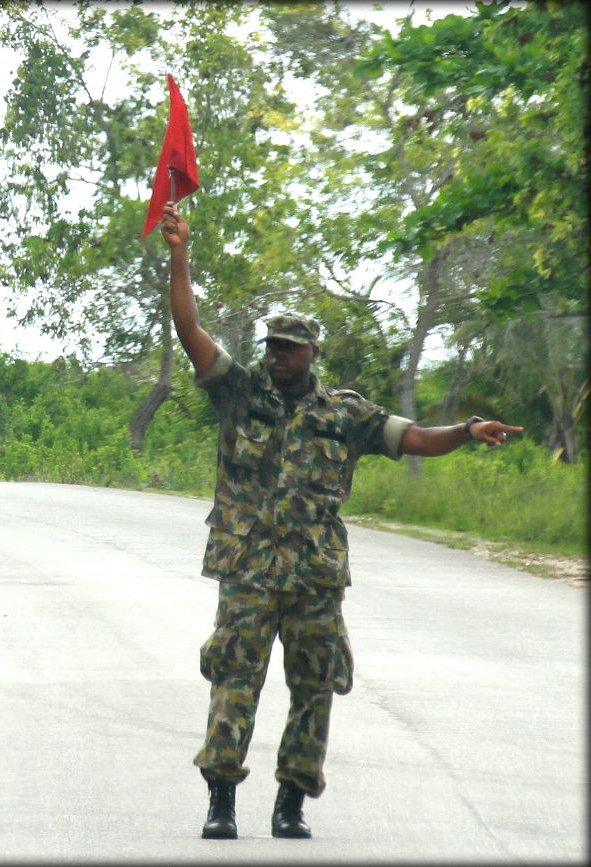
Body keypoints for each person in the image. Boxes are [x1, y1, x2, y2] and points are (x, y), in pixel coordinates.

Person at [156, 201, 523, 841]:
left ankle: (291, 802)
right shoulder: (239, 392)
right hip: (246, 570)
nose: (278, 357)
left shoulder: (344, 413)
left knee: (315, 688)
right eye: (272, 346)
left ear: (312, 353)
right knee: (234, 682)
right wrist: (180, 254)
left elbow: (414, 438)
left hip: (316, 576)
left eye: (290, 349)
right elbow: (189, 329)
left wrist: (465, 431)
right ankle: (221, 801)